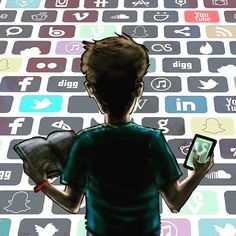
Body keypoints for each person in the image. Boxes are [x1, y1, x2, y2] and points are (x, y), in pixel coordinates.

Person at [23, 33, 214, 236]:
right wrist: (199, 172)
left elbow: (72, 204)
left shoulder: (85, 141)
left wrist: (41, 181)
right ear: (139, 89)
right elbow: (175, 202)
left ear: (90, 89)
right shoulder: (151, 140)